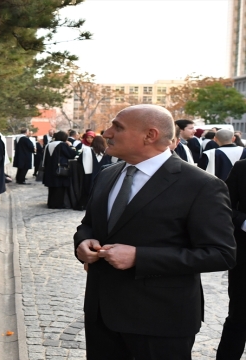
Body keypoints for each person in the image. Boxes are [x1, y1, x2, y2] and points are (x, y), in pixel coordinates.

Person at [74, 104, 236, 359]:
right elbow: (88, 225)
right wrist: (83, 243)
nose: (106, 133)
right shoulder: (107, 174)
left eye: (118, 127)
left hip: (159, 323)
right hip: (101, 317)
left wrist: (140, 257)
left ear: (149, 135)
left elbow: (221, 254)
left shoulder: (201, 185)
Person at [218, 159, 246, 359]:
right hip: (245, 260)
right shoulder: (243, 168)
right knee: (239, 316)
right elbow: (222, 204)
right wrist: (244, 221)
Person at [42, 130, 77, 209]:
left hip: (49, 169)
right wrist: (71, 146)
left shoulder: (49, 144)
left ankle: (51, 203)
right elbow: (71, 154)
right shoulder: (62, 145)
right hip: (59, 169)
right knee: (59, 188)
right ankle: (57, 204)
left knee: (52, 188)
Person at [76, 134, 111, 210]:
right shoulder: (106, 152)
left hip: (89, 174)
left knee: (88, 190)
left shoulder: (87, 150)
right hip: (103, 174)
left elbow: (79, 160)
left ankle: (85, 205)